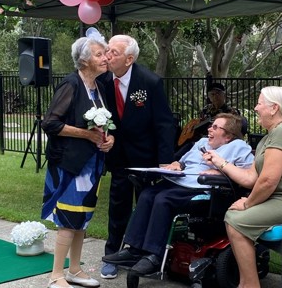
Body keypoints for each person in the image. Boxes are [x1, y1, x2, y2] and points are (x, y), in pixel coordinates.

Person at [203, 86, 282, 288]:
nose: (256, 108)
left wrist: (248, 203)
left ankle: (249, 285)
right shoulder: (269, 137)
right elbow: (251, 178)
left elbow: (268, 181)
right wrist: (220, 162)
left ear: (274, 108)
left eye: (260, 103)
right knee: (235, 215)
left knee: (235, 219)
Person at [101, 114, 253, 275]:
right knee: (147, 194)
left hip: (201, 188)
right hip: (180, 181)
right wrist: (175, 164)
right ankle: (133, 250)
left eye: (215, 127)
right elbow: (182, 161)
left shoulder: (239, 147)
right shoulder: (202, 143)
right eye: (211, 125)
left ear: (228, 136)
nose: (209, 129)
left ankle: (154, 255)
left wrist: (221, 172)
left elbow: (247, 175)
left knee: (163, 200)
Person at [40, 31, 115, 288]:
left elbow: (104, 125)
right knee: (68, 219)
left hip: (92, 165)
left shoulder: (100, 86)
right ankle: (56, 276)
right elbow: (50, 123)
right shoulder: (71, 84)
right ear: (84, 61)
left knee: (82, 219)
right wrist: (87, 135)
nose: (106, 58)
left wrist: (108, 139)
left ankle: (74, 270)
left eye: (104, 54)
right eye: (99, 54)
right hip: (69, 164)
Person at [101, 34, 176, 279]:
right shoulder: (102, 81)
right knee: (118, 204)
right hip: (118, 155)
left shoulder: (149, 82)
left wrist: (165, 160)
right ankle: (112, 252)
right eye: (107, 50)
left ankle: (142, 254)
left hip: (145, 156)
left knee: (145, 203)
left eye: (114, 52)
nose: (108, 56)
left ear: (129, 58)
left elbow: (164, 123)